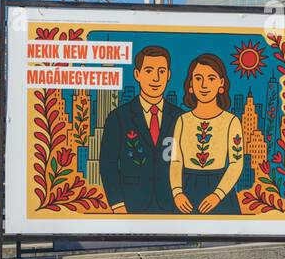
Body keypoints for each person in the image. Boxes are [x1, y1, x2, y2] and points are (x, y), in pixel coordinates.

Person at [100, 45, 180, 215]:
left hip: (172, 206)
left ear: (169, 75)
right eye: (149, 71)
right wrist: (117, 205)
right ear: (137, 74)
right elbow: (108, 165)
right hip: (131, 205)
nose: (156, 78)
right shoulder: (119, 117)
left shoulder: (180, 117)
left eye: (161, 71)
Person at [169, 53, 244, 215]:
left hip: (220, 190)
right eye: (198, 78)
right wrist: (177, 192)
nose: (204, 85)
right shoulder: (182, 120)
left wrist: (218, 195)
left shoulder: (231, 121)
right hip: (186, 191)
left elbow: (236, 163)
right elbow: (175, 161)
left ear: (221, 83)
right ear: (190, 85)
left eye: (211, 78)